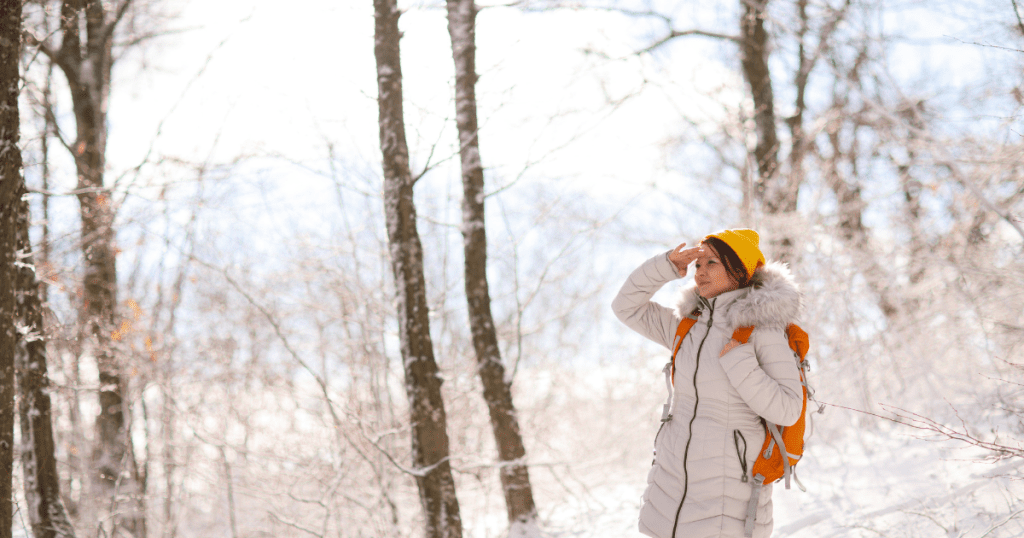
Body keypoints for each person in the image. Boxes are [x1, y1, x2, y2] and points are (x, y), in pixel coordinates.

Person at [611, 228, 804, 538]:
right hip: (670, 492)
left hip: (727, 501)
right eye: (698, 265)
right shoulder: (687, 326)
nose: (700, 272)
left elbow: (788, 409)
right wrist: (665, 267)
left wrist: (740, 362)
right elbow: (625, 307)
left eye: (711, 263)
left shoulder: (762, 329)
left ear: (739, 270)